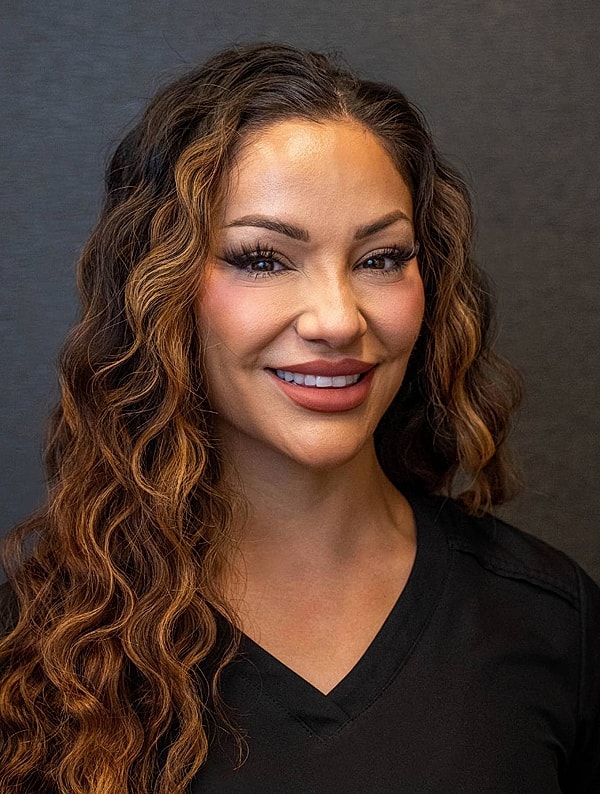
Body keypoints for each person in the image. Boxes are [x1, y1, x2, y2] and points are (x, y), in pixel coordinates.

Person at [0, 42, 598, 794]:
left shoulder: (550, 620)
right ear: (160, 290)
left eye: (380, 258)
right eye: (262, 258)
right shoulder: (36, 646)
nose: (337, 320)